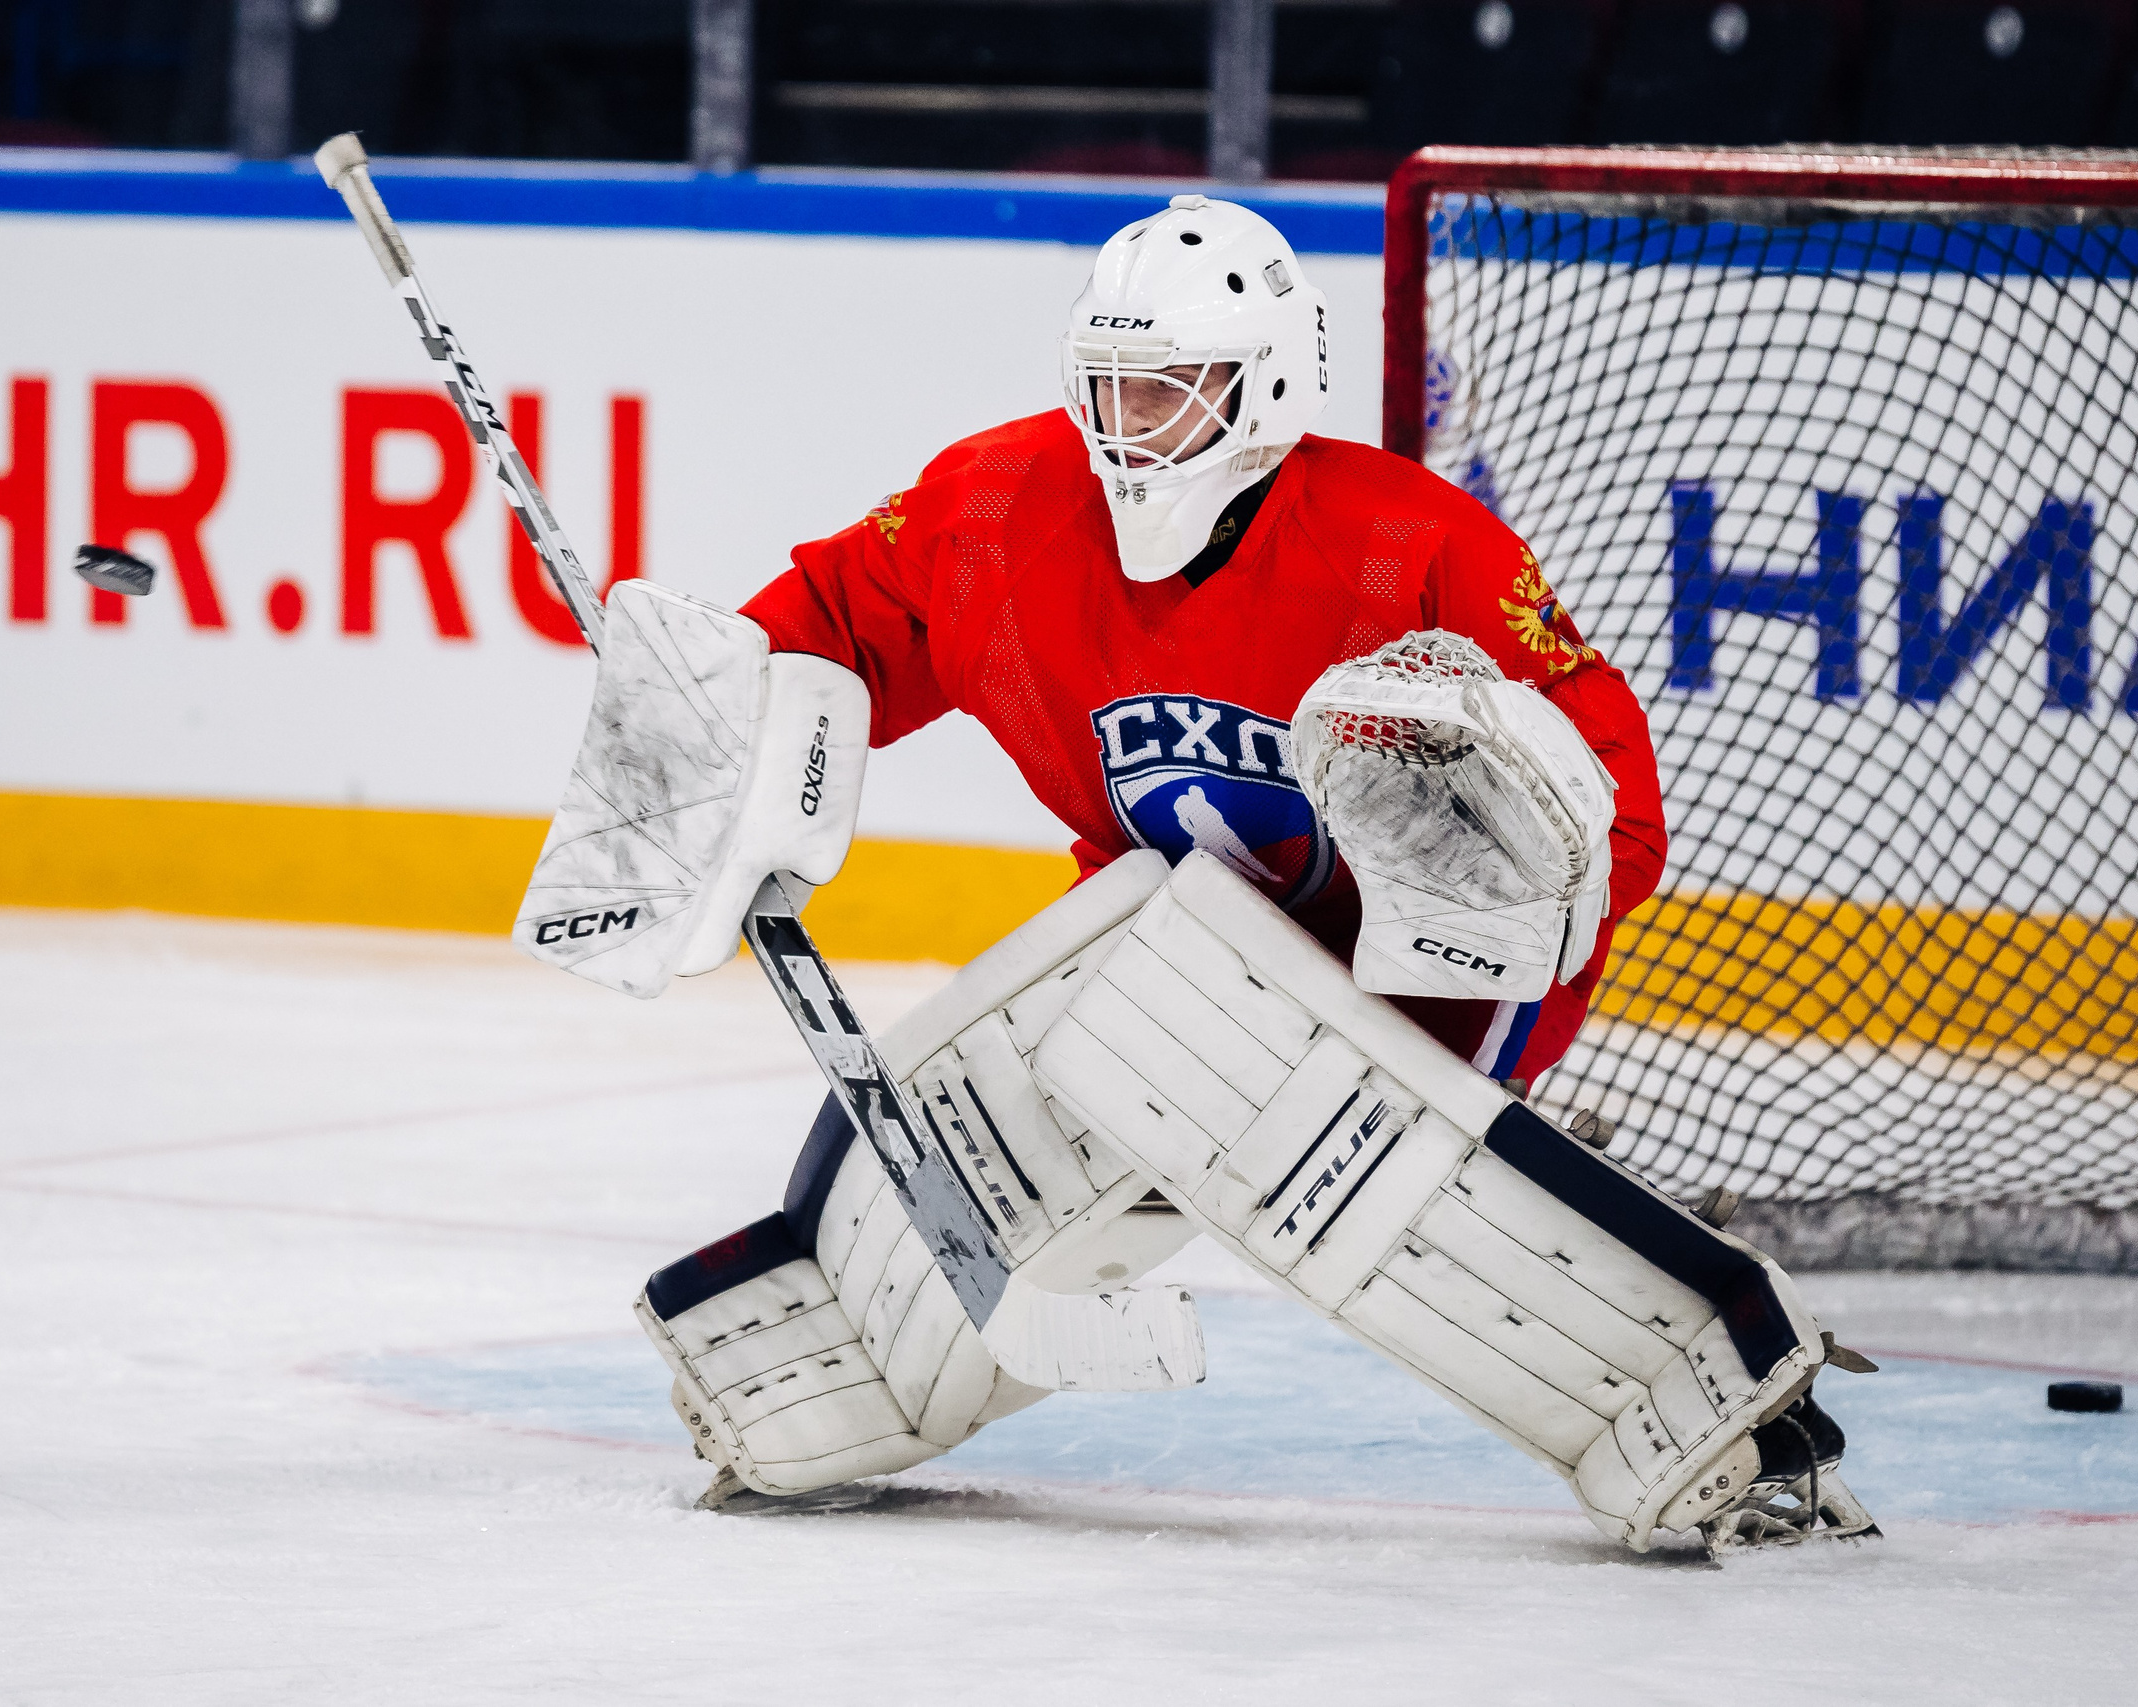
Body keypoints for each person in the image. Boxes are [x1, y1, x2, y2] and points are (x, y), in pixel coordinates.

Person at [519, 195, 1872, 1552]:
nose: (1128, 423)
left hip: (1417, 957)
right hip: (1162, 930)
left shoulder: (1415, 547)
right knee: (1005, 1095)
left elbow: (1608, 813)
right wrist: (703, 736)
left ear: (1267, 386)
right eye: (1108, 385)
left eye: (1168, 388)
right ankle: (834, 1379)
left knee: (1347, 1180)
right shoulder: (992, 506)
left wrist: (1492, 893)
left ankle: (1736, 1425)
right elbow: (829, 627)